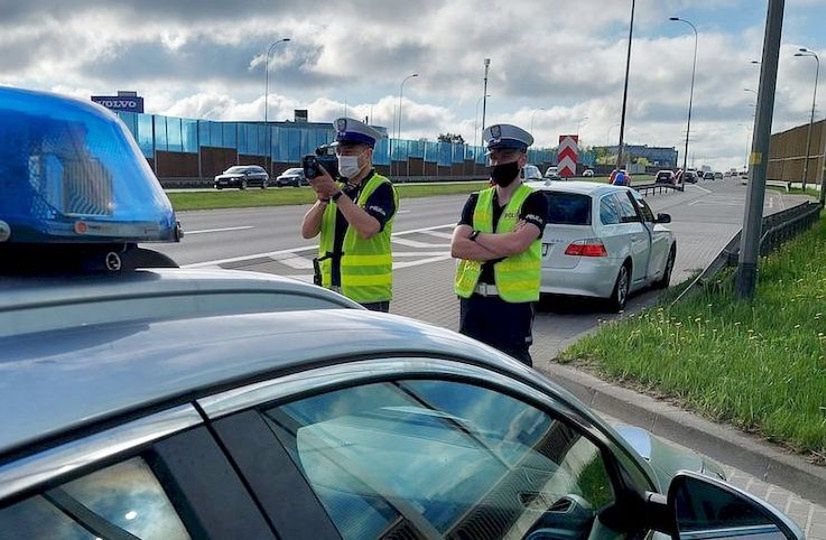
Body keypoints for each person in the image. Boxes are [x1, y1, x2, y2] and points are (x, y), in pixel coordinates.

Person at [451, 124, 549, 366]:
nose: (498, 163)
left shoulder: (534, 200)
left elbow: (518, 244)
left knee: (513, 373)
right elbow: (457, 248)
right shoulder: (476, 200)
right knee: (472, 372)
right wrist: (501, 245)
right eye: (494, 157)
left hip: (512, 308)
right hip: (473, 305)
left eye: (506, 156)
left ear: (522, 159)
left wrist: (475, 235)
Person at [300, 117, 399, 312]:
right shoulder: (338, 190)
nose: (342, 157)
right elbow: (307, 231)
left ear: (367, 154)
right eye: (339, 152)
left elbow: (368, 229)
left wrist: (336, 194)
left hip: (367, 296)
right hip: (330, 290)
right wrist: (322, 199)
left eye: (349, 152)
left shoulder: (381, 188)